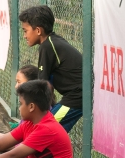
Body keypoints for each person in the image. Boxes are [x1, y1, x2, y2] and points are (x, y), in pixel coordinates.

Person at [19, 5, 82, 133]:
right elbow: (48, 83)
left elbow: (42, 86)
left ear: (38, 30)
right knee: (48, 132)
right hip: (76, 96)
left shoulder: (47, 46)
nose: (24, 35)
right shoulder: (53, 41)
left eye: (25, 31)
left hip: (75, 99)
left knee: (43, 129)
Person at [0, 64, 40, 152]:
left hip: (25, 147)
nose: (16, 86)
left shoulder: (36, 109)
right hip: (22, 143)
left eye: (19, 82)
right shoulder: (32, 104)